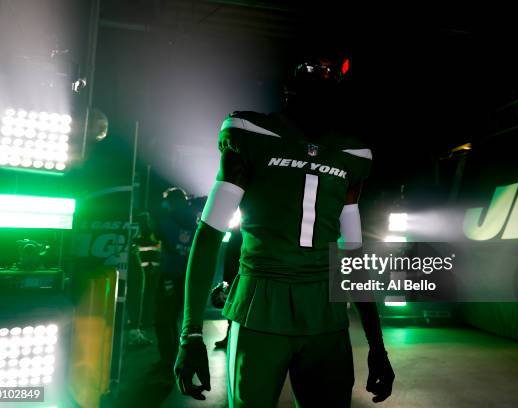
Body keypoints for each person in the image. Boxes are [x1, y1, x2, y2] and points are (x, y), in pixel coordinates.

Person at [174, 49, 395, 407]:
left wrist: (377, 346)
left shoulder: (352, 153)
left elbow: (352, 257)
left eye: (328, 73)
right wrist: (191, 334)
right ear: (289, 86)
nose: (321, 78)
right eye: (312, 71)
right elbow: (210, 233)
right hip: (263, 306)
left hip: (322, 313)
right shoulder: (252, 133)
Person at [152, 187, 197, 378]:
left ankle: (167, 360)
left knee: (163, 319)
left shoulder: (165, 221)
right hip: (187, 278)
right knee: (175, 318)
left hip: (169, 276)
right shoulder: (195, 223)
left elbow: (156, 233)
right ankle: (177, 357)